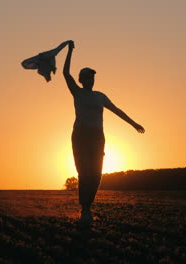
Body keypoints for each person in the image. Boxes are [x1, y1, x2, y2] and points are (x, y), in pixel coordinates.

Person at [62, 40, 145, 224]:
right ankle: (85, 209)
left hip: (98, 137)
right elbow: (65, 73)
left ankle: (87, 205)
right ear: (82, 80)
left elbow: (117, 110)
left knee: (97, 174)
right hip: (81, 135)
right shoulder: (77, 92)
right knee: (84, 173)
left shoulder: (100, 96)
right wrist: (69, 51)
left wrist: (134, 123)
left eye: (93, 77)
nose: (91, 80)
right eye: (88, 77)